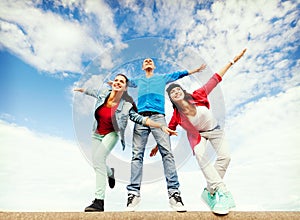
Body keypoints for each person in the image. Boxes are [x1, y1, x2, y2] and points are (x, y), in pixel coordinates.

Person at [150, 49, 247, 215]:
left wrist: (232, 61)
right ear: (172, 99)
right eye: (172, 92)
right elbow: (168, 131)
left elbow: (215, 79)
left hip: (215, 130)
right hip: (198, 137)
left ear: (183, 91)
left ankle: (209, 192)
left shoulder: (198, 95)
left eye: (178, 89)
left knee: (226, 157)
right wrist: (157, 146)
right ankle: (221, 191)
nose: (176, 92)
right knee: (202, 158)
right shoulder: (176, 116)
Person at [74, 74, 177, 212]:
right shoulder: (104, 93)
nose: (117, 83)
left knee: (98, 161)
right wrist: (81, 89)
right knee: (97, 163)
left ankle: (99, 201)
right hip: (96, 134)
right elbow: (92, 91)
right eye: (116, 80)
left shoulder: (127, 105)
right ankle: (110, 172)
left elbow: (140, 119)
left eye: (121, 81)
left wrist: (160, 126)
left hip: (112, 134)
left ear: (125, 87)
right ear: (112, 84)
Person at [126, 58, 206, 212]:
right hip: (141, 118)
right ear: (143, 67)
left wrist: (194, 71)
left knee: (167, 153)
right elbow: (125, 82)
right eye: (145, 61)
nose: (148, 61)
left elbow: (178, 74)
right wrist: (114, 84)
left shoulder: (162, 78)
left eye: (150, 61)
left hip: (158, 117)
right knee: (137, 155)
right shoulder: (138, 80)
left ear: (154, 66)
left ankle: (174, 194)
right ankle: (133, 194)